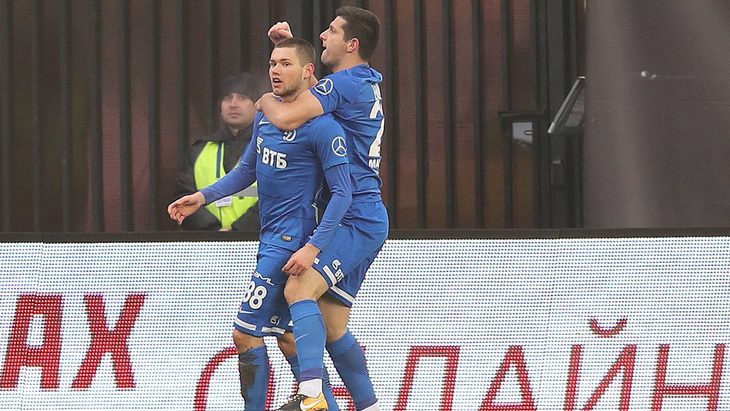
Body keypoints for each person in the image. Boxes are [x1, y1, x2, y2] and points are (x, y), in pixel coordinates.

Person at [168, 38, 351, 411]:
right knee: (288, 338)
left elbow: (343, 194)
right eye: (272, 63)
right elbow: (247, 170)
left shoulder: (323, 128)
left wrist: (313, 246)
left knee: (244, 334)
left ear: (308, 71)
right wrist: (202, 197)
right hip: (271, 239)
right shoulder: (266, 118)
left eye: (286, 63)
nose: (275, 70)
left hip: (290, 243)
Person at [259, 7, 387, 411]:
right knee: (332, 326)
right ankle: (369, 405)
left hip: (354, 216)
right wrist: (288, 48)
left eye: (332, 31)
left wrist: (264, 100)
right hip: (364, 214)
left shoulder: (343, 83)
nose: (323, 35)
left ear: (352, 45)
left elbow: (287, 114)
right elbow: (311, 90)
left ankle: (312, 394)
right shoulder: (358, 81)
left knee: (298, 288)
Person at [173, 73, 261, 232]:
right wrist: (215, 232)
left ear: (258, 105)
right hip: (209, 242)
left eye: (242, 97)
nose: (233, 104)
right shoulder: (198, 151)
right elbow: (183, 197)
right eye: (227, 98)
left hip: (258, 240)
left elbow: (280, 197)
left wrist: (238, 231)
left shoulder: (270, 147)